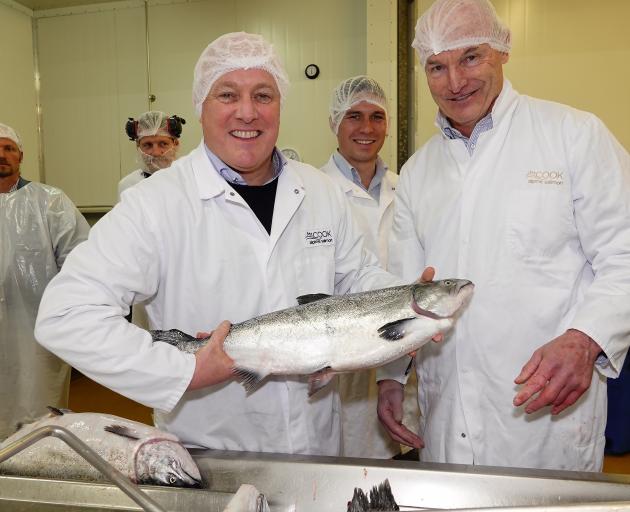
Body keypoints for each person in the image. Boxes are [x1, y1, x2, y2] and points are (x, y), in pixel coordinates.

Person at [34, 32, 413, 455]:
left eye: (263, 95)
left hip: (315, 447)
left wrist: (409, 301)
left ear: (280, 105)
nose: (247, 112)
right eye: (228, 94)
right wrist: (183, 370)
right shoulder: (156, 204)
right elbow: (66, 315)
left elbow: (355, 277)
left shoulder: (320, 191)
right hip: (213, 453)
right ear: (201, 106)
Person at [377, 0, 630, 472]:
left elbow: (624, 254)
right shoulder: (417, 173)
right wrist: (391, 376)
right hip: (447, 414)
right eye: (437, 66)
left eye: (470, 57)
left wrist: (585, 338)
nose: (455, 82)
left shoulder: (574, 136)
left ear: (503, 50)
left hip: (546, 418)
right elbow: (403, 291)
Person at [320, 76, 419, 459]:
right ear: (334, 123)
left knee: (406, 474)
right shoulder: (314, 192)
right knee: (346, 477)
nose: (366, 128)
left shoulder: (406, 189)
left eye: (377, 116)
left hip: (403, 360)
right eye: (353, 116)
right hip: (340, 369)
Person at [0, 122, 89, 440]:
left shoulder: (50, 202)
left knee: (38, 409)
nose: (2, 155)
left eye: (9, 148)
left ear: (21, 155)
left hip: (38, 326)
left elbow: (80, 259)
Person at [118, 111, 185, 199]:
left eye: (163, 144)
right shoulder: (128, 186)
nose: (155, 152)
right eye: (147, 145)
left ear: (175, 144)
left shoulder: (189, 181)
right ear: (138, 147)